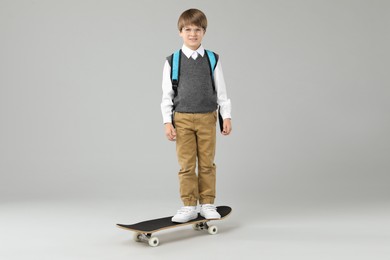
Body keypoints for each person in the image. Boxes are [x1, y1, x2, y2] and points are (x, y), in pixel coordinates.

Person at [161, 8, 232, 223]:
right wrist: (167, 122)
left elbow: (221, 91)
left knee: (208, 163)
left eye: (198, 29)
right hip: (181, 119)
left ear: (204, 32)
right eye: (188, 29)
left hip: (207, 118)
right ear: (180, 32)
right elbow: (167, 95)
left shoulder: (212, 59)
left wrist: (226, 116)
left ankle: (208, 203)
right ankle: (189, 205)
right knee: (187, 165)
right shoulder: (173, 61)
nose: (193, 34)